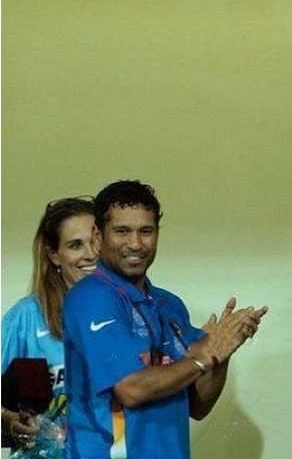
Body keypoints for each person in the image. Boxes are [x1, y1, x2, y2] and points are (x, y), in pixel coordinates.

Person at [62, 180, 267, 459]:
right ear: (98, 237)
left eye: (146, 231)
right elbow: (131, 389)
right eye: (122, 231)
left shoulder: (170, 305)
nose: (135, 243)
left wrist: (222, 352)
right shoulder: (90, 298)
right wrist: (202, 358)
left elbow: (198, 405)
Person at [1, 197, 98, 450]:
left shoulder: (131, 313)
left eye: (96, 241)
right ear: (54, 255)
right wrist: (9, 421)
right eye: (76, 245)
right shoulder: (26, 317)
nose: (91, 254)